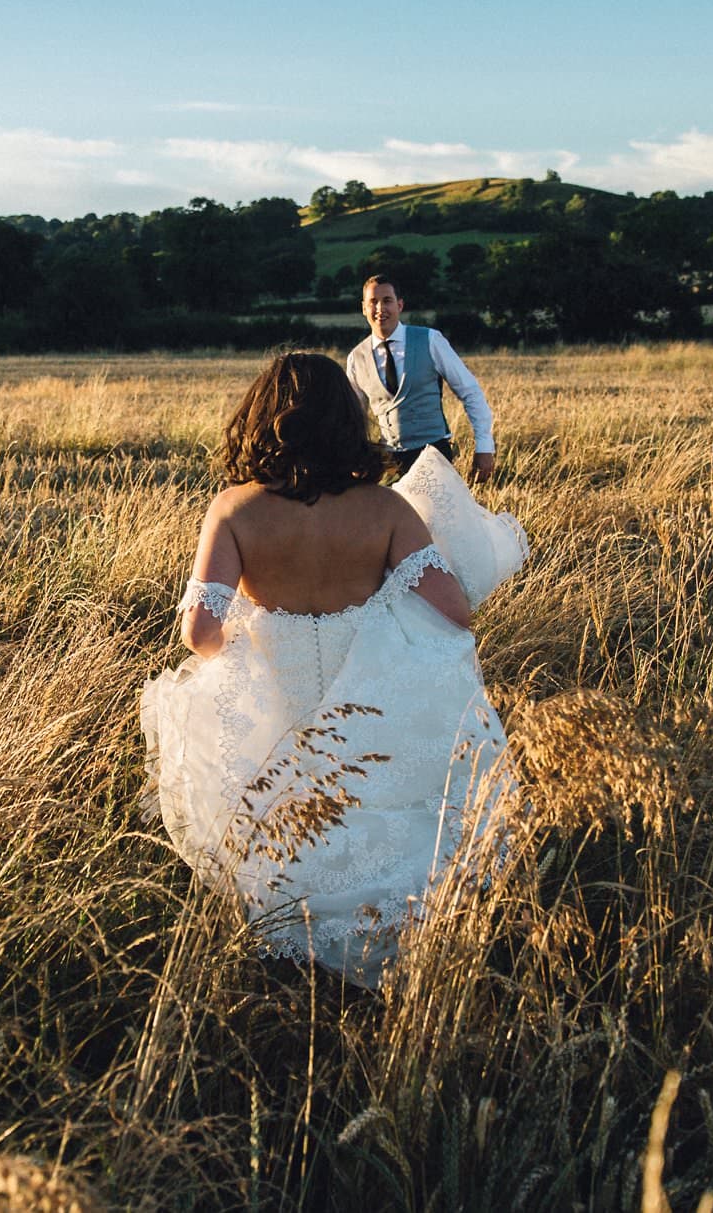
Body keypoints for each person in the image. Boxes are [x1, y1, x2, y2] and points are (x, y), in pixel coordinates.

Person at [140, 353, 516, 987]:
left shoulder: (233, 510)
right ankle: (399, 949)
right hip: (365, 703)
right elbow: (455, 611)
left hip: (275, 700)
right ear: (348, 419)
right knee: (376, 816)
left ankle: (289, 953)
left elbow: (199, 631)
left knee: (279, 823)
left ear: (261, 419)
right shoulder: (386, 510)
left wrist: (255, 649)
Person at [345, 275, 497, 482]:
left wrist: (484, 447)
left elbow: (470, 392)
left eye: (387, 301)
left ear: (400, 305)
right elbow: (352, 417)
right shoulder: (357, 357)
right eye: (373, 302)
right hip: (388, 462)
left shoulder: (430, 340)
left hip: (433, 455)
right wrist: (352, 456)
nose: (380, 309)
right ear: (364, 308)